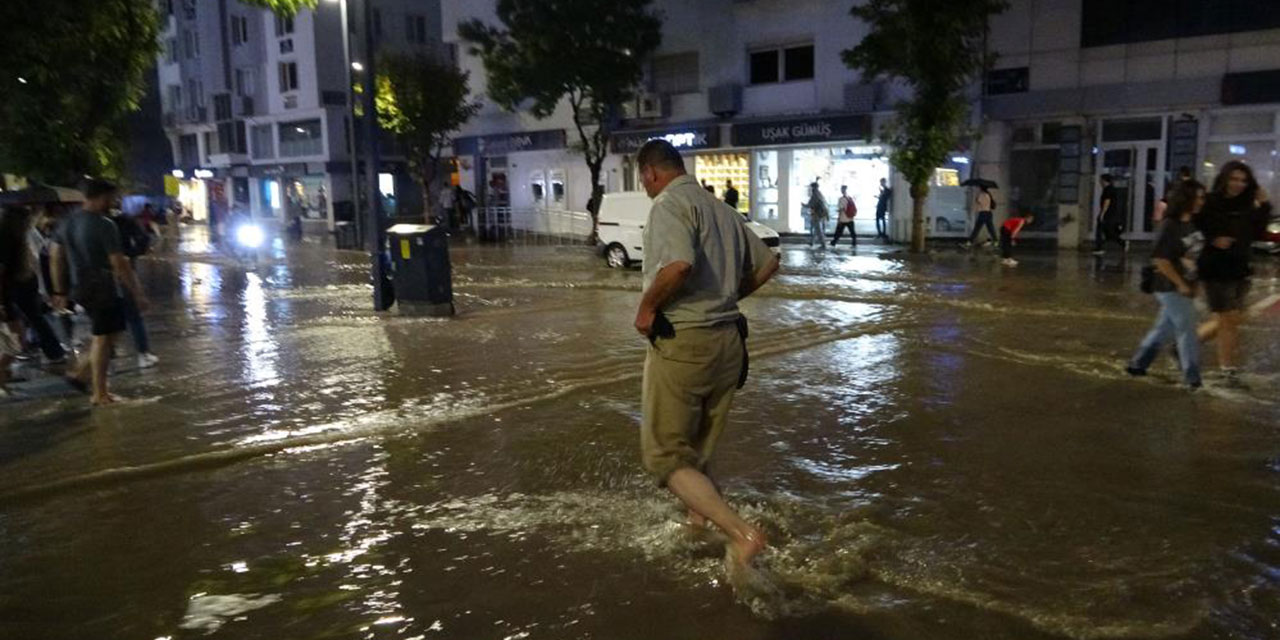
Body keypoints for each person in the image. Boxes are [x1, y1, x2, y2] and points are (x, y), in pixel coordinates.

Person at [632, 139, 779, 575]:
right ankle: (698, 524)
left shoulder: (668, 205)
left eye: (643, 180)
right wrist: (728, 298)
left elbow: (677, 265)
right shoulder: (720, 209)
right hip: (728, 342)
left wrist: (647, 308)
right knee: (697, 449)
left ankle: (742, 533)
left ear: (650, 174)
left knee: (664, 456)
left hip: (685, 342)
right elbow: (769, 263)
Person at [50, 179, 150, 406]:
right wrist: (137, 292)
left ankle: (81, 374)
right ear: (102, 197)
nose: (113, 201)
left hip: (80, 286)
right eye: (112, 197)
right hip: (102, 286)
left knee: (109, 334)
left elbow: (56, 256)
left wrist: (59, 289)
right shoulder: (105, 225)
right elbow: (119, 262)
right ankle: (100, 393)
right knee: (103, 339)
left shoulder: (67, 222)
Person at [1194, 161, 1272, 388]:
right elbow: (1193, 227)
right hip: (1215, 267)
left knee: (1230, 319)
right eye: (1234, 179)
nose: (1238, 184)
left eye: (1243, 180)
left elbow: (1258, 231)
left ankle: (1184, 347)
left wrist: (1264, 203)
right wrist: (1212, 239)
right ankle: (1228, 370)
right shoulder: (1210, 202)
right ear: (1225, 179)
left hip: (1240, 267)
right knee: (1227, 319)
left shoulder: (1248, 205)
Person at [1125, 180, 1206, 389]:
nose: (1201, 201)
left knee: (1163, 328)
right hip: (1170, 287)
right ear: (1186, 198)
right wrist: (1181, 284)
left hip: (1185, 285)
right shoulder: (1170, 225)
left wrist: (1194, 282)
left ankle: (1138, 364)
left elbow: (1192, 255)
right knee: (1187, 330)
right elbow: (1161, 259)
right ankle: (1192, 378)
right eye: (1198, 197)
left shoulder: (1192, 223)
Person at [1, 205, 67, 364]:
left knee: (13, 318)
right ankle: (52, 351)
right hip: (26, 280)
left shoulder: (6, 236)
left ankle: (14, 352)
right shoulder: (22, 235)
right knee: (34, 317)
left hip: (11, 283)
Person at [110, 210, 159, 369]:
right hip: (123, 268)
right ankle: (143, 354)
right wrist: (133, 253)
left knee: (109, 317)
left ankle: (108, 353)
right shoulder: (124, 220)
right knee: (133, 315)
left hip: (100, 275)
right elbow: (143, 239)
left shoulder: (90, 221)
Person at [1092, 174, 1128, 255]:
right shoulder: (1111, 189)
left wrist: (1102, 213)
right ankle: (1121, 242)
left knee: (1101, 230)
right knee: (1108, 232)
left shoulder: (1108, 190)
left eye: (1101, 180)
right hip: (1111, 213)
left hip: (1108, 214)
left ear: (1104, 180)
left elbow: (1107, 202)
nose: (1099, 182)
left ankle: (1099, 248)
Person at [806, 182, 829, 249]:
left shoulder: (815, 195)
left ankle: (823, 244)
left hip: (817, 214)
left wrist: (804, 205)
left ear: (813, 187)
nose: (809, 189)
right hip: (822, 214)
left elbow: (811, 204)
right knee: (814, 228)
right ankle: (812, 241)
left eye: (810, 187)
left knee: (818, 229)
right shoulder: (820, 194)